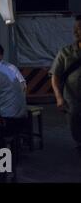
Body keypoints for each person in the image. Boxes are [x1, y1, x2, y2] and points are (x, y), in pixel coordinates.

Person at [50, 15, 81, 149]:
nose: (75, 32)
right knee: (75, 122)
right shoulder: (66, 52)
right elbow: (55, 76)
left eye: (79, 28)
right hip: (72, 97)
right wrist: (59, 98)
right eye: (75, 29)